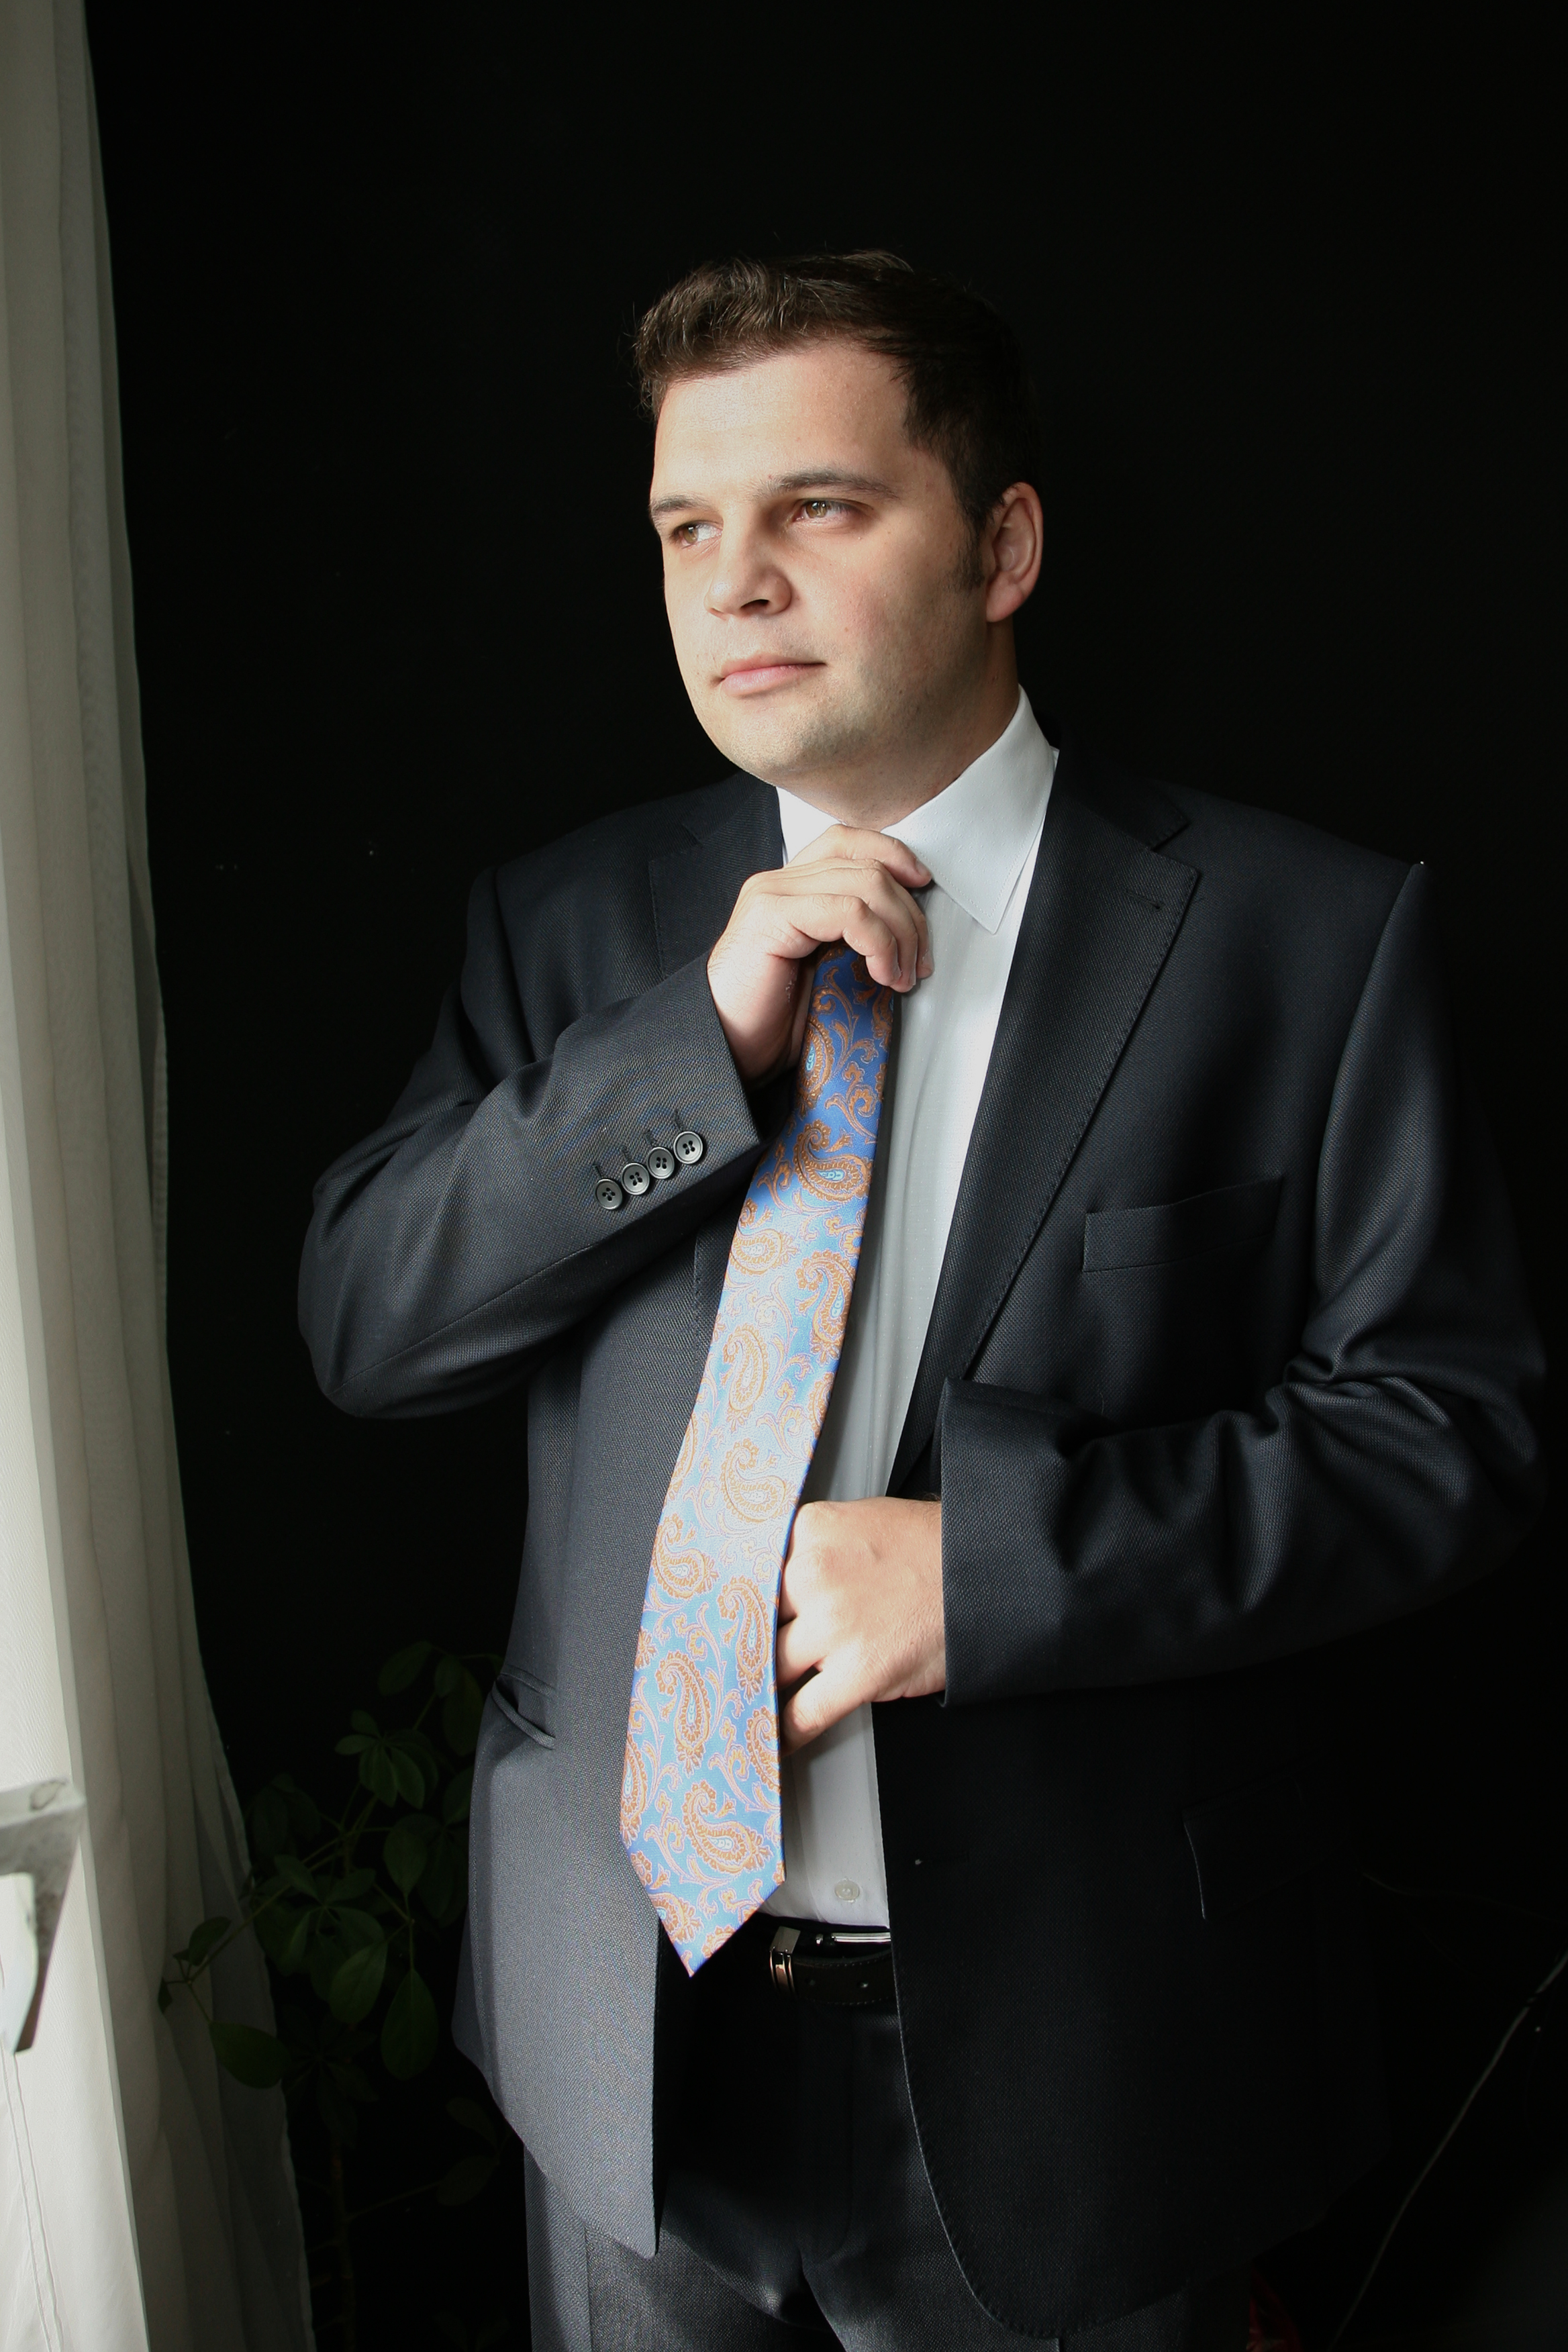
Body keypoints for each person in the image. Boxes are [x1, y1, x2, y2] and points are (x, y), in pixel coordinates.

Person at [298, 252, 1544, 2351]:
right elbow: (366, 1324)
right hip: (632, 2044)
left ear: (1005, 544)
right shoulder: (569, 923)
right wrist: (690, 1048)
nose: (735, 581)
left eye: (819, 506)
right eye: (688, 527)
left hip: (1087, 2067)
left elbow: (1451, 1434)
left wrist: (998, 1573)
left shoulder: (1309, 940)